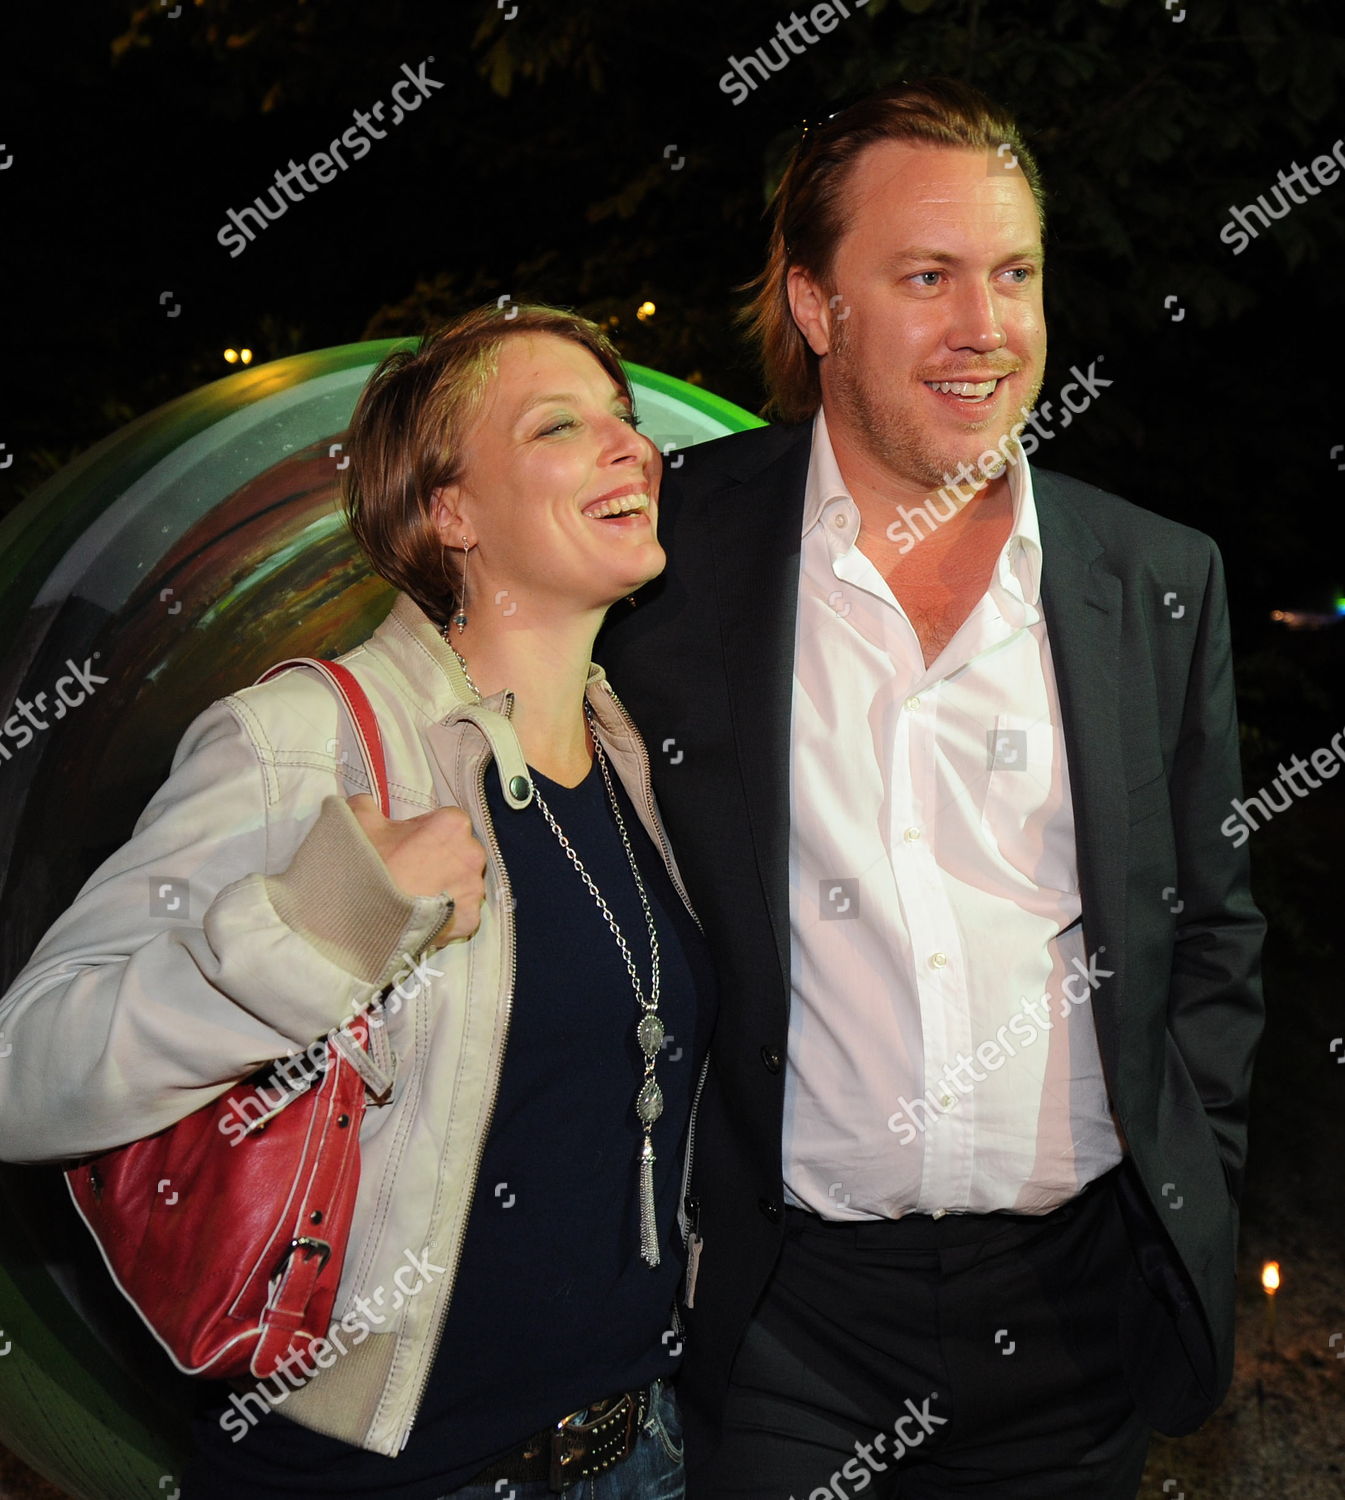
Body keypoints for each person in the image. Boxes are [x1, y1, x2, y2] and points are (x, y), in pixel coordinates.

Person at [596, 78, 1265, 1498]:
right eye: (927, 276)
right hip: (785, 1322)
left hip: (1078, 1312)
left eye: (1014, 274)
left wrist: (1186, 1163)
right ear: (817, 306)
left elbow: (1209, 927)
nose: (987, 327)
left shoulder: (1156, 579)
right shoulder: (670, 556)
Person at [0, 303, 714, 1498]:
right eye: (559, 424)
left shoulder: (638, 758)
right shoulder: (302, 742)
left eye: (625, 421)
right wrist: (327, 920)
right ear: (450, 513)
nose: (628, 445)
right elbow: (26, 1069)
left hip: (639, 1454)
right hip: (378, 1475)